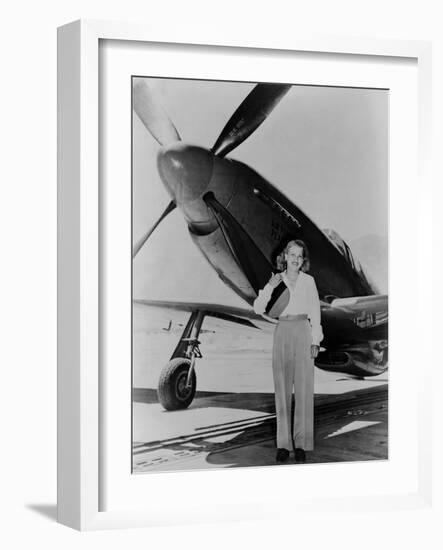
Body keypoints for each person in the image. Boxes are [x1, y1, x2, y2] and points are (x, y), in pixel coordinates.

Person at [253, 240, 323, 464]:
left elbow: (315, 312)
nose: (295, 259)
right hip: (282, 331)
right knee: (281, 391)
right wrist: (270, 286)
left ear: (304, 260)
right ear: (285, 256)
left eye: (299, 256)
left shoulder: (309, 281)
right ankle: (283, 444)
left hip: (303, 331)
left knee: (303, 390)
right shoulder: (277, 280)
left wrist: (316, 340)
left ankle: (301, 444)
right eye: (292, 255)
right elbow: (258, 308)